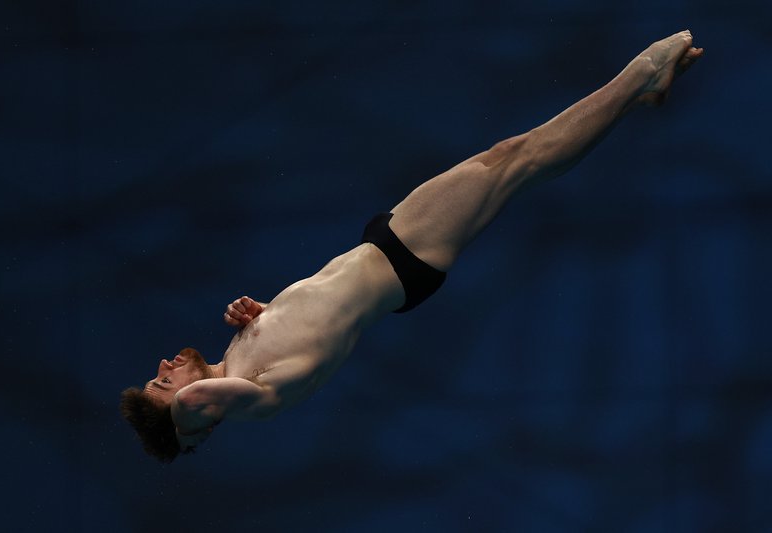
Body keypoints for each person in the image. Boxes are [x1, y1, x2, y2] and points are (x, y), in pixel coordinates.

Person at [121, 30, 704, 463]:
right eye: (162, 384)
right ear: (190, 417)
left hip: (388, 251)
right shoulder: (250, 398)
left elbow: (310, 327)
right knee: (517, 157)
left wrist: (263, 315)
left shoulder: (244, 365)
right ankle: (638, 80)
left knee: (518, 165)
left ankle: (634, 94)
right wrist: (179, 422)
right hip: (403, 259)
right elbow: (197, 405)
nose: (166, 367)